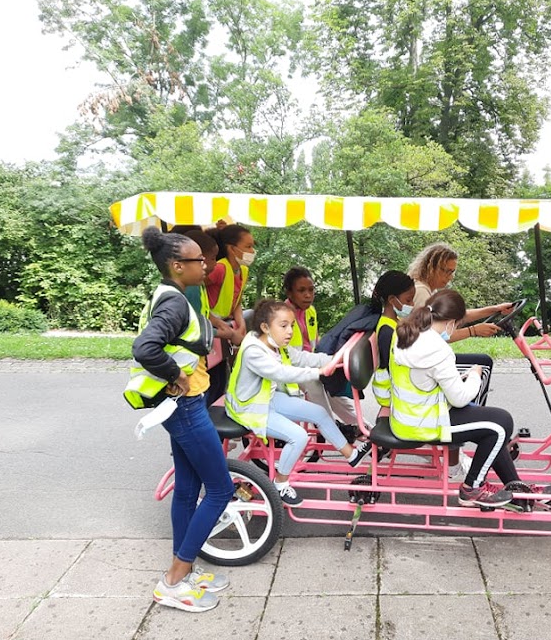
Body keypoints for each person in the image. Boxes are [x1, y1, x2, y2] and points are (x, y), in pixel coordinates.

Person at [129, 227, 234, 613]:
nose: (205, 265)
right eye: (198, 260)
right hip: (186, 406)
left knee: (188, 487)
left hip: (182, 406)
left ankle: (183, 572)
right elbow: (145, 348)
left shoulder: (170, 294)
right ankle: (174, 578)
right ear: (177, 266)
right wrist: (176, 374)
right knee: (220, 490)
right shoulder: (174, 302)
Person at [390, 289, 532, 508]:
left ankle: (516, 487)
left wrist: (459, 378)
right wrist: (474, 376)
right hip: (423, 424)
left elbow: (426, 379)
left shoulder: (407, 333)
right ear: (451, 323)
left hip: (410, 415)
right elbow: (460, 398)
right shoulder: (438, 348)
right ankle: (471, 489)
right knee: (501, 423)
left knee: (492, 422)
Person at [225, 300, 373, 506]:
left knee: (319, 412)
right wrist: (318, 372)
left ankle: (352, 455)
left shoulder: (277, 346)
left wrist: (333, 360)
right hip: (250, 409)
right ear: (265, 327)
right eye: (284, 325)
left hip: (267, 398)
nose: (289, 331)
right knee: (298, 436)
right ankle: (280, 483)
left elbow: (303, 357)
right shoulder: (254, 351)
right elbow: (282, 373)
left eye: (292, 325)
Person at [283, 266, 363, 431]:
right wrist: (327, 361)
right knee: (314, 381)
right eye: (301, 290)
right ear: (289, 293)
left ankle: (363, 428)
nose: (308, 295)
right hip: (288, 370)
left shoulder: (310, 311)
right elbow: (293, 358)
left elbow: (315, 342)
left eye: (311, 290)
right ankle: (330, 428)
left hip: (308, 363)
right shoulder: (281, 317)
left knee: (333, 385)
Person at [183, 230, 238, 405]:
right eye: (212, 258)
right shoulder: (191, 288)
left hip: (202, 354)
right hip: (191, 361)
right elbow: (194, 327)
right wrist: (223, 333)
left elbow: (205, 314)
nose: (215, 263)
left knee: (219, 384)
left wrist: (220, 323)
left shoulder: (198, 286)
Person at [371, 270, 417, 410]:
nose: (413, 304)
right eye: (408, 300)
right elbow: (392, 368)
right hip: (391, 394)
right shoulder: (387, 331)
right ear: (392, 300)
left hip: (397, 387)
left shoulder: (395, 322)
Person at [206, 223, 255, 346]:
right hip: (211, 325)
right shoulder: (220, 268)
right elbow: (198, 291)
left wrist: (241, 324)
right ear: (232, 249)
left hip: (226, 324)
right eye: (248, 247)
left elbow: (237, 301)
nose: (252, 251)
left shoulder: (243, 270)